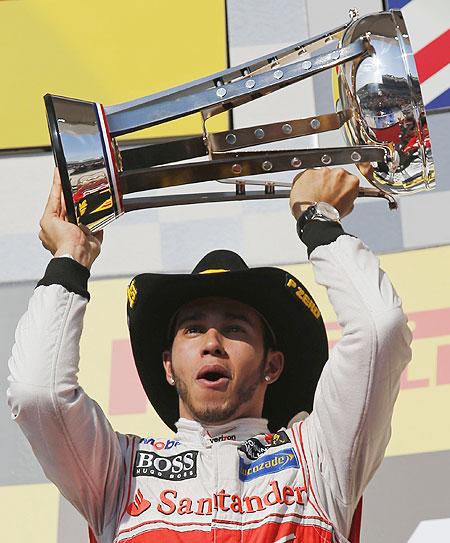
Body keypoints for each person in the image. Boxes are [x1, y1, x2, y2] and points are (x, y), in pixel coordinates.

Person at [7, 167, 412, 543]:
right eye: (194, 328)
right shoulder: (118, 474)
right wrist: (70, 257)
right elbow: (37, 393)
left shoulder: (319, 462)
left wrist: (319, 222)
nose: (212, 342)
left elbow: (380, 329)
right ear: (168, 364)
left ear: (272, 364)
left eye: (235, 328)